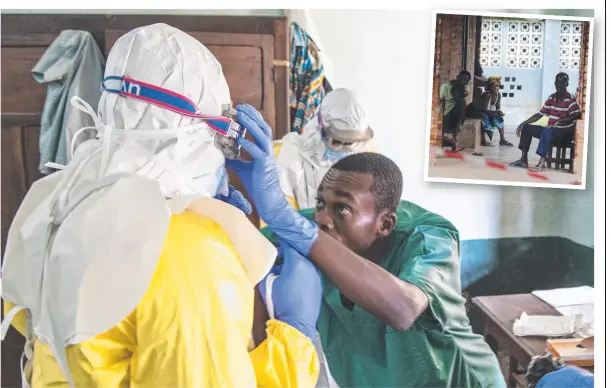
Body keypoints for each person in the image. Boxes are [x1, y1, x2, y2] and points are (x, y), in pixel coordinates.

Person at [1, 23, 323, 387]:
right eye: (221, 132)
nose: (221, 149)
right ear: (188, 132)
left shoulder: (55, 201)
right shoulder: (190, 252)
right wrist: (297, 336)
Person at [228, 117, 506, 387]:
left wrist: (285, 218)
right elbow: (254, 244)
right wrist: (227, 215)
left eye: (342, 208)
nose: (323, 218)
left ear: (385, 224)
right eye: (320, 203)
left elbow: (404, 308)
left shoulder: (429, 238)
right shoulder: (322, 226)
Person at [274, 87, 374, 211]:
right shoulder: (288, 157)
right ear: (319, 126)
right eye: (337, 141)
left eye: (351, 143)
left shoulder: (368, 157)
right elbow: (279, 217)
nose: (344, 149)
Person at [510, 72, 581, 171]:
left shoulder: (570, 98)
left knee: (547, 131)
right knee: (527, 128)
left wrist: (561, 121)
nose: (559, 85)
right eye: (557, 83)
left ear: (566, 84)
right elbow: (540, 114)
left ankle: (542, 163)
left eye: (562, 83)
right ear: (555, 83)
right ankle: (523, 159)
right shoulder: (551, 98)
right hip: (551, 130)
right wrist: (523, 123)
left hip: (564, 133)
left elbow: (576, 114)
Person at [467, 76, 513, 147]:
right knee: (484, 118)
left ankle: (502, 140)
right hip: (475, 111)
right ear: (489, 86)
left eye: (497, 86)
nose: (495, 88)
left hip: (487, 111)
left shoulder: (498, 95)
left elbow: (497, 107)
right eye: (493, 86)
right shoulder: (487, 95)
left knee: (500, 119)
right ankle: (484, 141)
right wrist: (493, 113)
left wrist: (499, 112)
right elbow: (484, 109)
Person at [440, 70, 471, 151]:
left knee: (455, 127)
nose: (462, 81)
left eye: (465, 80)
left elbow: (464, 93)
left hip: (455, 115)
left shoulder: (462, 92)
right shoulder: (447, 86)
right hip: (445, 112)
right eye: (461, 78)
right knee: (442, 129)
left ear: (467, 83)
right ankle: (450, 143)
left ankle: (454, 142)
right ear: (457, 77)